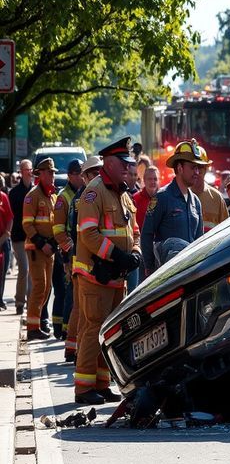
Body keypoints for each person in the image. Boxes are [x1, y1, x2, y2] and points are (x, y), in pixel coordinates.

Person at [73, 139, 140, 404]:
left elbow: (133, 231)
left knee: (108, 332)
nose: (127, 168)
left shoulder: (123, 193)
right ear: (108, 163)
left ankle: (101, 383)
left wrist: (134, 253)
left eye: (129, 164)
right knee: (92, 329)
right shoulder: (94, 191)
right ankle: (83, 388)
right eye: (123, 163)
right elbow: (88, 233)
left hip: (116, 277)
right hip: (95, 274)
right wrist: (115, 255)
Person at [141, 139, 205, 276]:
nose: (197, 172)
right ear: (180, 168)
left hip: (190, 273)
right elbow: (146, 234)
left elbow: (200, 240)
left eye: (198, 168)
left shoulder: (196, 202)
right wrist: (150, 268)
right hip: (167, 276)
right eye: (193, 167)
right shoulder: (162, 198)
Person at [63, 156, 102, 363]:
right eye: (93, 173)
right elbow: (76, 232)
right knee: (82, 309)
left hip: (88, 260)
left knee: (83, 310)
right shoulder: (83, 199)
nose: (97, 177)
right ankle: (75, 349)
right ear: (85, 177)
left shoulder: (90, 195)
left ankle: (73, 347)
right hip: (84, 260)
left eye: (99, 172)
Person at [22, 158, 59, 340]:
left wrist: (52, 243)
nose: (53, 175)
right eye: (50, 172)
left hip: (48, 250)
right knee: (39, 286)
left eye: (53, 172)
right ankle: (32, 328)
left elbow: (54, 224)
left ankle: (35, 323)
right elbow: (27, 225)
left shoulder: (52, 196)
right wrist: (42, 243)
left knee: (47, 288)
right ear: (41, 174)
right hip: (36, 249)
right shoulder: (33, 195)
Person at [51, 159, 84, 339]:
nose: (82, 176)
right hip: (68, 252)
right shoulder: (63, 198)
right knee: (69, 292)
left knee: (75, 293)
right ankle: (65, 330)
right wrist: (68, 253)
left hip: (79, 251)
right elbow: (58, 230)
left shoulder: (83, 193)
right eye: (79, 173)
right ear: (71, 175)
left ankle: (68, 329)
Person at [9, 159, 34, 315]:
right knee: (24, 269)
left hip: (32, 237)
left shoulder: (35, 191)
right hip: (18, 237)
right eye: (26, 169)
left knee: (32, 270)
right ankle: (19, 301)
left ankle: (31, 302)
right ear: (21, 171)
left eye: (31, 169)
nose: (29, 172)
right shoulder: (14, 193)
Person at [190, 145, 228, 233]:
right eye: (193, 167)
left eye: (200, 168)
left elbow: (225, 232)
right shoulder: (180, 196)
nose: (197, 172)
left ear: (206, 169)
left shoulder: (216, 198)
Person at [0, 181, 12, 310]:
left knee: (1, 273)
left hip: (2, 241)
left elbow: (10, 218)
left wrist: (6, 235)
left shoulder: (3, 197)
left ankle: (0, 299)